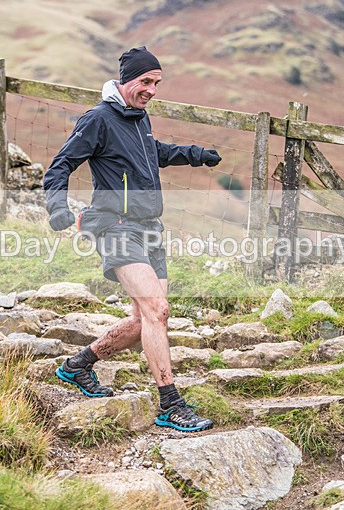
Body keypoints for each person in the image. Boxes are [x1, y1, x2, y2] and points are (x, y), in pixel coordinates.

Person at [42, 46, 222, 432]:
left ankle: (79, 365)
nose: (152, 90)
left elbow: (151, 153)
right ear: (126, 80)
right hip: (115, 225)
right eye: (145, 82)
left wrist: (193, 154)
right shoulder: (99, 119)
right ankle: (170, 404)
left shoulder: (139, 117)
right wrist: (57, 208)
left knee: (147, 319)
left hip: (149, 228)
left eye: (156, 83)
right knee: (156, 309)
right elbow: (61, 164)